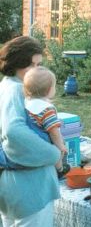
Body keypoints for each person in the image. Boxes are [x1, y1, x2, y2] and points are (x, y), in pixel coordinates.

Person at [0, 36, 61, 226]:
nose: (37, 71)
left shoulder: (6, 85)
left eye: (39, 65)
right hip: (28, 186)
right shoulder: (17, 90)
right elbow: (13, 132)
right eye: (32, 65)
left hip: (14, 183)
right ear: (16, 63)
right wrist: (53, 154)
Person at [0, 66, 70, 178]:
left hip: (28, 145)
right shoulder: (47, 109)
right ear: (49, 90)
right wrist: (61, 146)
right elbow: (53, 132)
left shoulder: (25, 104)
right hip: (44, 141)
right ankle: (60, 169)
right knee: (58, 150)